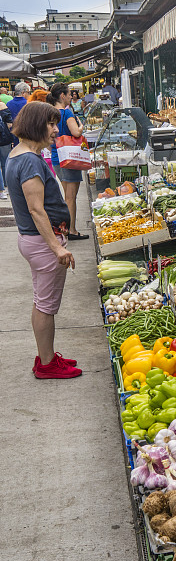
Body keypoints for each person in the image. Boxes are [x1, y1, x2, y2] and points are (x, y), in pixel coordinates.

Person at [5, 102, 82, 379]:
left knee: (42, 302)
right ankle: (47, 365)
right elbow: (36, 209)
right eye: (50, 124)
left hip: (34, 241)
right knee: (46, 306)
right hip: (41, 242)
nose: (55, 129)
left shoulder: (19, 155)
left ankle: (46, 357)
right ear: (36, 125)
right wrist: (57, 247)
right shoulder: (29, 160)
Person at [46, 82, 89, 241]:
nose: (72, 96)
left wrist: (55, 149)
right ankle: (71, 230)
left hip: (57, 157)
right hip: (70, 158)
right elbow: (76, 133)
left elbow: (48, 139)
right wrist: (81, 126)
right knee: (71, 197)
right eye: (70, 94)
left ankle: (66, 228)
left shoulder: (50, 113)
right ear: (62, 95)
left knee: (67, 196)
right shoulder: (67, 113)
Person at [0, 100, 13, 199]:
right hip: (5, 139)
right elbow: (10, 123)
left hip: (4, 139)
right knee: (5, 164)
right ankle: (7, 186)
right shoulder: (2, 105)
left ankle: (1, 190)